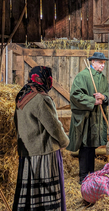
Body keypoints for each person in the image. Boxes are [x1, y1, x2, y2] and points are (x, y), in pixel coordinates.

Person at [13, 66, 69, 211]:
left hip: (27, 152)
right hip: (44, 152)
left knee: (31, 194)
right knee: (46, 195)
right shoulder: (41, 98)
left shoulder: (23, 94)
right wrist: (65, 142)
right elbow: (54, 126)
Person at [67, 52, 109, 184]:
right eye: (100, 62)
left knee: (92, 146)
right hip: (86, 117)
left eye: (104, 63)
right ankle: (83, 177)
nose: (102, 65)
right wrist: (92, 101)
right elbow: (75, 95)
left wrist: (104, 97)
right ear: (92, 62)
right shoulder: (83, 76)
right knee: (85, 146)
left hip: (97, 118)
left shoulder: (102, 78)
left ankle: (91, 175)